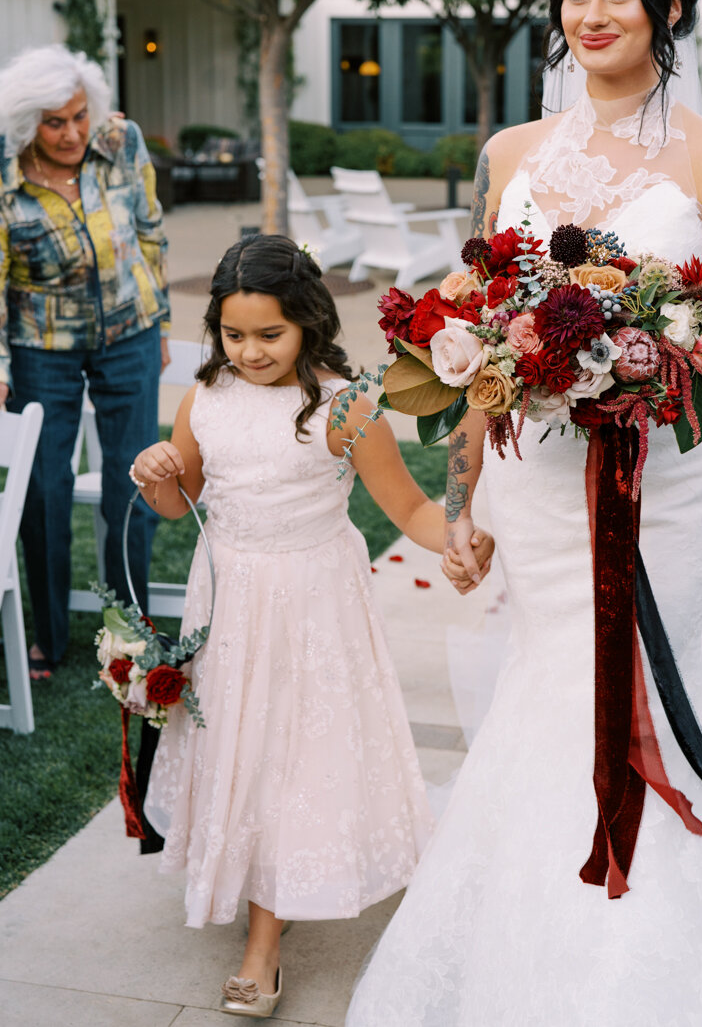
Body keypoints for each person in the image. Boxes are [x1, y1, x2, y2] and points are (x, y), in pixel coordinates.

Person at [345, 0, 702, 1024]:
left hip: (658, 491)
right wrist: (461, 500)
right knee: (546, 684)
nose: (593, 14)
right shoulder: (511, 157)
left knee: (635, 702)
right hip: (533, 490)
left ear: (668, 7)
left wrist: (633, 365)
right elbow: (472, 350)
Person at [131, 234, 493, 1018]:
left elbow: (410, 508)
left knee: (293, 752)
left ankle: (264, 941)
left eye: (271, 335)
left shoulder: (346, 406)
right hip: (227, 598)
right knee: (240, 743)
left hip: (311, 603)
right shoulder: (206, 398)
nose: (250, 352)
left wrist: (459, 536)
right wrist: (155, 470)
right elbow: (178, 501)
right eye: (234, 335)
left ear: (308, 324)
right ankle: (250, 876)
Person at [0, 43, 169, 679]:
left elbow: (150, 228)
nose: (72, 133)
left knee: (137, 482)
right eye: (54, 122)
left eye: (78, 116)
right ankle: (49, 634)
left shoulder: (120, 141)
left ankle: (131, 627)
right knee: (45, 486)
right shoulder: (3, 172)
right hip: (39, 345)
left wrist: (162, 322)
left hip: (130, 330)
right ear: (25, 125)